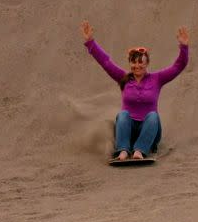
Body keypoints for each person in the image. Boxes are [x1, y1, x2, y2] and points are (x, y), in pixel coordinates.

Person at [80, 20, 190, 160]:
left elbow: (178, 66)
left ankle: (140, 150)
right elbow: (106, 62)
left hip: (150, 132)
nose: (137, 66)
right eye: (134, 62)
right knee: (123, 114)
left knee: (153, 116)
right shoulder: (123, 78)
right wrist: (90, 42)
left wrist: (184, 47)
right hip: (128, 132)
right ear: (130, 63)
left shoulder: (157, 79)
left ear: (147, 63)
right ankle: (123, 150)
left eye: (140, 62)